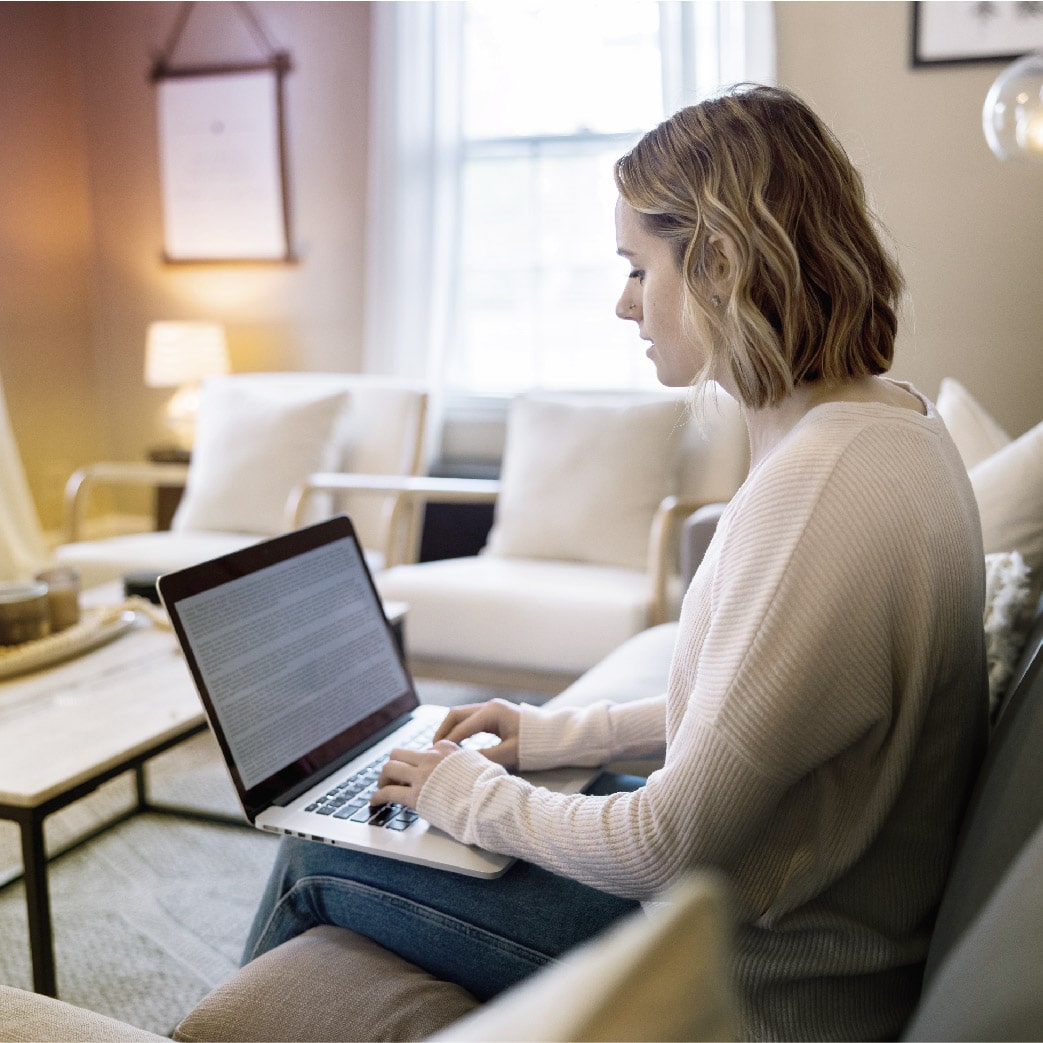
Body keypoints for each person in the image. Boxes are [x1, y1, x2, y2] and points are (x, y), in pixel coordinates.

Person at [243, 85, 988, 1041]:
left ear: (719, 260)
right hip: (773, 917)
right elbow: (757, 713)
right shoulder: (896, 424)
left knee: (315, 856)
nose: (622, 300)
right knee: (496, 809)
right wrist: (554, 737)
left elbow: (663, 843)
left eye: (639, 268)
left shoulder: (817, 490)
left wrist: (458, 790)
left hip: (760, 981)